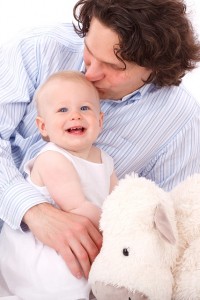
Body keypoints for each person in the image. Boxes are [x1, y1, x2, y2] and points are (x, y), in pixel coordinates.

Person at [0, 0, 200, 282]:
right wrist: (33, 210)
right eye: (90, 52)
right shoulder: (38, 49)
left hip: (77, 278)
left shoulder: (179, 123)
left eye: (113, 66)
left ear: (154, 67)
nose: (90, 74)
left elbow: (165, 228)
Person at [0, 70, 118, 299]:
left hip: (82, 233)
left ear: (100, 120)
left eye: (84, 108)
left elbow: (120, 201)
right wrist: (118, 229)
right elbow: (77, 209)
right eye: (63, 110)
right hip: (43, 247)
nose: (75, 115)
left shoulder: (107, 161)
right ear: (43, 127)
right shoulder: (52, 158)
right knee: (68, 282)